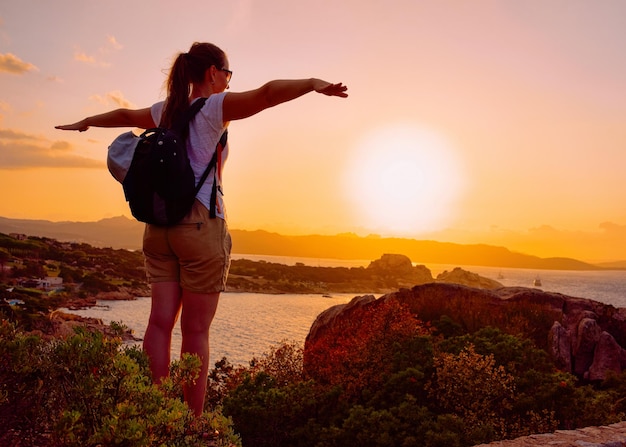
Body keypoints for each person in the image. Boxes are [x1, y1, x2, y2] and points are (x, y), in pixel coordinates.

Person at [56, 42, 348, 417]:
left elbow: (126, 112)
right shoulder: (214, 108)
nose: (228, 81)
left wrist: (88, 121)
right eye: (227, 73)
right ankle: (189, 425)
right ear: (212, 72)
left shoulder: (166, 109)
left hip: (158, 229)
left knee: (159, 323)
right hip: (199, 226)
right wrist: (312, 82)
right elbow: (269, 94)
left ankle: (152, 412)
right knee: (195, 333)